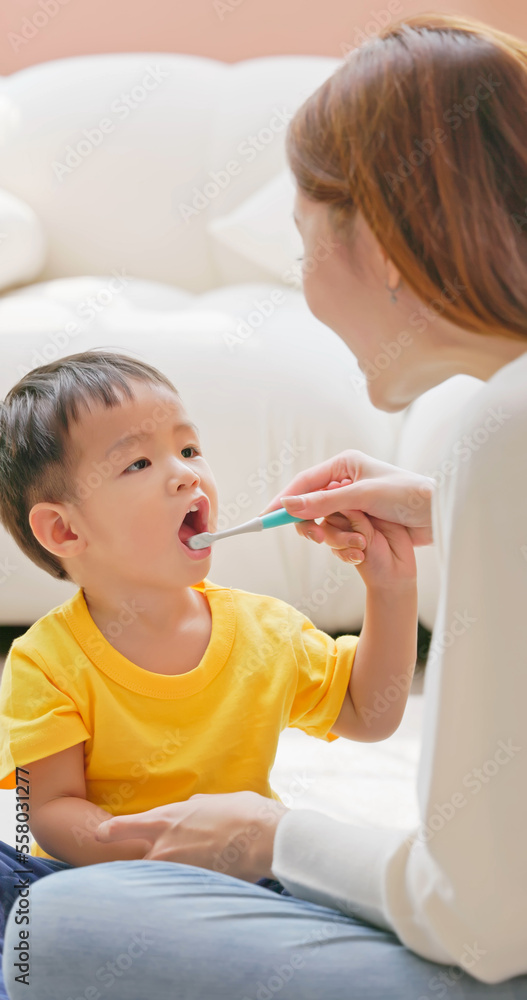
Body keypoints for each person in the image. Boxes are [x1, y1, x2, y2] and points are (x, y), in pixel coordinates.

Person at [3, 9, 527, 999]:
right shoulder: (45, 661)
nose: (185, 476)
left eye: (188, 449)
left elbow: (468, 889)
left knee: (55, 928)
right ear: (60, 533)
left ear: (374, 242)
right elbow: (42, 811)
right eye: (137, 465)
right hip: (115, 858)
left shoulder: (262, 626)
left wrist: (256, 833)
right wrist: (439, 507)